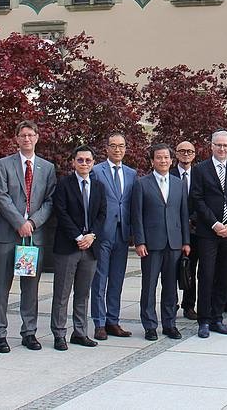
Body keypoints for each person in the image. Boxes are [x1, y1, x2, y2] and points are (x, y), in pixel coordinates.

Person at [0, 120, 57, 353]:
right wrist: (19, 222)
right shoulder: (4, 164)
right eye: (22, 135)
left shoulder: (47, 168)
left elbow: (49, 201)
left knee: (31, 287)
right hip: (8, 234)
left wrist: (32, 222)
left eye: (31, 135)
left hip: (33, 236)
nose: (27, 139)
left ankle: (29, 332)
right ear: (16, 138)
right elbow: (1, 196)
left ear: (37, 137)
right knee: (1, 287)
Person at [132, 143, 191, 340]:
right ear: (152, 161)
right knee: (149, 286)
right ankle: (150, 325)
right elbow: (137, 215)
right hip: (151, 244)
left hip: (174, 243)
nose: (163, 161)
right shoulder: (142, 183)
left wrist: (186, 241)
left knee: (170, 287)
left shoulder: (178, 184)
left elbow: (183, 215)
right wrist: (139, 241)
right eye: (159, 157)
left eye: (166, 157)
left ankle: (169, 324)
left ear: (171, 160)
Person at [190, 131, 227, 338]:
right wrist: (214, 223)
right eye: (218, 145)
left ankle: (217, 318)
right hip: (208, 232)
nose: (222, 149)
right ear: (211, 146)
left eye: (226, 145)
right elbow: (197, 199)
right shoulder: (200, 169)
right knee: (206, 275)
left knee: (224, 275)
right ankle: (203, 320)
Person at [51, 145, 106, 350]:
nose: (84, 163)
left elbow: (102, 214)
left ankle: (80, 332)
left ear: (93, 163)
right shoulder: (64, 184)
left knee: (83, 293)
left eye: (88, 160)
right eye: (80, 160)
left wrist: (91, 235)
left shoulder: (99, 186)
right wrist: (78, 236)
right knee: (62, 293)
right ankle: (59, 334)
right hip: (68, 246)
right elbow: (61, 212)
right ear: (73, 162)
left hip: (90, 248)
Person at [90, 133, 137, 340]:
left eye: (121, 146)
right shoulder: (96, 171)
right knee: (100, 279)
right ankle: (99, 322)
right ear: (106, 148)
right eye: (113, 146)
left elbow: (131, 203)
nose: (118, 149)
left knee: (117, 279)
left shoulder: (131, 173)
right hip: (102, 232)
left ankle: (113, 321)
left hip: (123, 233)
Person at [170, 140, 199, 321]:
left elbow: (204, 199)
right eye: (182, 151)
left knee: (191, 269)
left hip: (195, 230)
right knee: (171, 270)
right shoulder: (170, 174)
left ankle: (189, 305)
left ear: (194, 154)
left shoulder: (200, 175)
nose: (186, 154)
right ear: (176, 154)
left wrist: (191, 220)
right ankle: (171, 303)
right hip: (173, 230)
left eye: (190, 151)